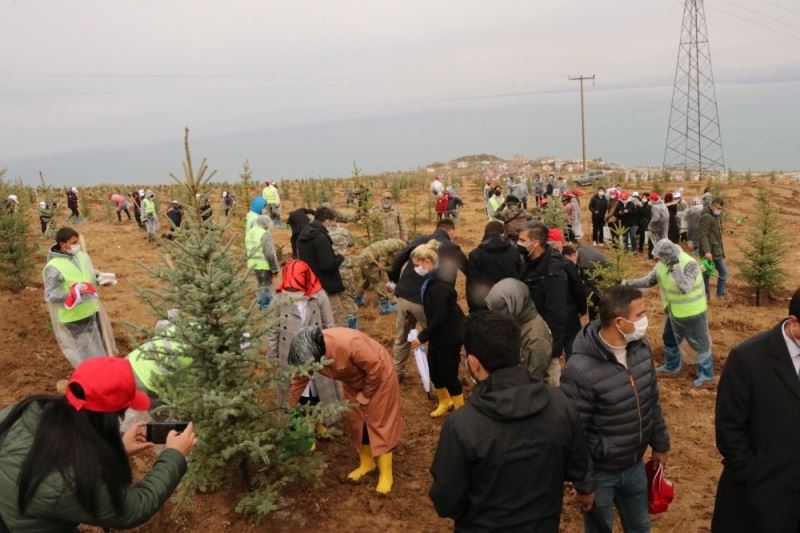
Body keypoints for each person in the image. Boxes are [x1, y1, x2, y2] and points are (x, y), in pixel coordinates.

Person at [428, 311, 593, 532]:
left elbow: (446, 501)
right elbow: (577, 465)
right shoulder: (559, 403)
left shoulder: (462, 425)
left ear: (473, 363)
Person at [0, 357, 197, 532]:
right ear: (110, 418)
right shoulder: (70, 482)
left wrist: (117, 448)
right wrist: (173, 455)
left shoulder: (26, 411)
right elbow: (134, 508)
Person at [561, 285, 670, 533]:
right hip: (601, 474)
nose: (645, 320)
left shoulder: (640, 349)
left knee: (640, 525)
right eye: (640, 315)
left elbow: (651, 400)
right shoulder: (579, 371)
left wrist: (660, 444)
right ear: (619, 322)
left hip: (634, 465)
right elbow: (575, 433)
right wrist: (585, 484)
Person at [711, 288, 800, 532]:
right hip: (759, 497)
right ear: (793, 323)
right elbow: (729, 429)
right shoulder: (747, 358)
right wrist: (753, 475)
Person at [288, 326, 402, 494]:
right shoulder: (309, 354)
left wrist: (367, 393)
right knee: (357, 421)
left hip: (379, 378)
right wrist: (289, 408)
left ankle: (386, 475)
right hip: (353, 381)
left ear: (319, 354)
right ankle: (367, 464)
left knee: (379, 422)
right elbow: (299, 380)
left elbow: (375, 368)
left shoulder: (350, 344)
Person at [624, 239, 714, 387]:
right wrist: (628, 283)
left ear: (669, 255)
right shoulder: (662, 263)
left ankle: (706, 376)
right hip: (673, 311)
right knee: (669, 338)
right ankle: (672, 367)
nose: (658, 260)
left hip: (692, 312)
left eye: (661, 257)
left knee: (700, 344)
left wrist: (675, 266)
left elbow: (685, 287)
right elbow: (650, 280)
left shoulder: (689, 264)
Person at [388, 219, 466, 379]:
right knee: (436, 337)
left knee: (402, 335)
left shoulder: (420, 240)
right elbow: (470, 270)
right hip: (427, 301)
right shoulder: (452, 248)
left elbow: (397, 261)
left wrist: (396, 283)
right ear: (451, 232)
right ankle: (437, 378)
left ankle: (397, 372)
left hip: (404, 296)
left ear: (435, 229)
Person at [266, 260, 339, 410]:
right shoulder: (279, 299)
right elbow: (272, 330)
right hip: (288, 353)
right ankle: (292, 420)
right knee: (293, 391)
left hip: (314, 351)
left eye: (297, 286)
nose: (293, 290)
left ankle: (320, 420)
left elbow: (329, 326)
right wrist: (272, 356)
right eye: (290, 286)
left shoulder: (319, 296)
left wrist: (331, 352)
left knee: (316, 388)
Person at [518, 222, 582, 384]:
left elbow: (556, 313)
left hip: (552, 334)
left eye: (522, 239)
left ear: (535, 243)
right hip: (537, 329)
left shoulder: (553, 272)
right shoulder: (530, 262)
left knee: (553, 378)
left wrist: (552, 351)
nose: (518, 243)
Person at [43, 227, 117, 367]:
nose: (77, 245)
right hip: (75, 318)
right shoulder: (53, 267)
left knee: (101, 345)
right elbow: (50, 295)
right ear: (63, 244)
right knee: (88, 353)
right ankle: (93, 379)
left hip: (92, 310)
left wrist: (100, 277)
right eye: (74, 242)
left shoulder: (81, 256)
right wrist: (73, 293)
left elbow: (87, 274)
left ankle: (107, 374)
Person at [409, 240, 465, 418]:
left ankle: (460, 409)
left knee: (448, 372)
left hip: (450, 334)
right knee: (434, 368)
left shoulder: (440, 286)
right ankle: (445, 401)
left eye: (417, 265)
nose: (415, 269)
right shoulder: (429, 281)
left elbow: (440, 316)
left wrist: (423, 336)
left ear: (427, 262)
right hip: (437, 333)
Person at [485, 279, 552, 380]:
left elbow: (532, 380)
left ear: (513, 306)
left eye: (499, 311)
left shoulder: (536, 339)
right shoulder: (518, 320)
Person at [297, 207, 347, 326]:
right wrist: (340, 257)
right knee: (334, 316)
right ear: (327, 220)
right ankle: (335, 342)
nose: (331, 225)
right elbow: (327, 265)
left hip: (311, 284)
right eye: (331, 221)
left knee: (317, 318)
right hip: (326, 286)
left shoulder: (304, 234)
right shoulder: (321, 237)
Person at [466, 221, 522, 312]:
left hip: (486, 305)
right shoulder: (514, 252)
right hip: (510, 303)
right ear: (502, 233)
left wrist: (474, 310)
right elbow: (519, 276)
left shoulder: (476, 254)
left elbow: (472, 285)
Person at [355, 238, 406, 315]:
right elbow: (384, 250)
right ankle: (384, 307)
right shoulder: (397, 245)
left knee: (366, 280)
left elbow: (390, 259)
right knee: (379, 281)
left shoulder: (396, 244)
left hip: (365, 258)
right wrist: (382, 264)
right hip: (368, 261)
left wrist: (384, 265)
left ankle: (357, 299)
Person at [563, 244, 610, 322]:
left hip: (605, 278)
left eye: (567, 260)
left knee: (593, 297)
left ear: (573, 255)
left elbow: (590, 287)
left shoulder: (586, 265)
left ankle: (596, 320)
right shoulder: (580, 250)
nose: (567, 263)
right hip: (599, 273)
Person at [328, 224, 360, 328]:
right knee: (348, 296)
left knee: (334, 299)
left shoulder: (323, 233)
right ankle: (352, 325)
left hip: (332, 269)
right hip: (345, 267)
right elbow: (352, 243)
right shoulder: (344, 231)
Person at [245, 215, 279, 310]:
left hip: (252, 264)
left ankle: (260, 304)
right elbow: (269, 253)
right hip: (263, 265)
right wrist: (274, 268)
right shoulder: (264, 234)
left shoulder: (250, 233)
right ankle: (266, 308)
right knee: (267, 287)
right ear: (265, 224)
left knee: (259, 286)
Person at [698, 197, 728, 299]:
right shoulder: (706, 217)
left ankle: (717, 295)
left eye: (721, 209)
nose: (719, 210)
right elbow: (703, 235)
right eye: (718, 208)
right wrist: (707, 251)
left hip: (715, 250)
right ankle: (715, 295)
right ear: (713, 205)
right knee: (719, 272)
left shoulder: (714, 216)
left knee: (706, 274)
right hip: (710, 252)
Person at [637, 193, 653, 258]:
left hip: (648, 223)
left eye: (645, 198)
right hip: (641, 223)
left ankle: (650, 249)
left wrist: (640, 207)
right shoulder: (640, 206)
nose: (644, 199)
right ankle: (640, 248)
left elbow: (645, 212)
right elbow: (638, 214)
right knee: (642, 236)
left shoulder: (649, 206)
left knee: (649, 237)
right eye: (643, 198)